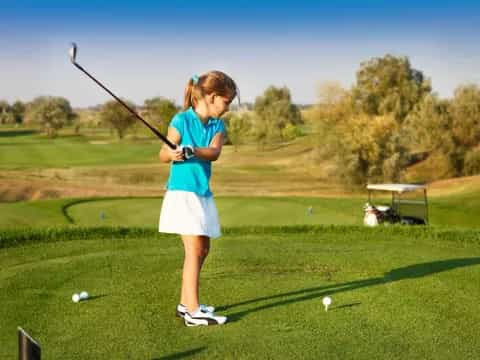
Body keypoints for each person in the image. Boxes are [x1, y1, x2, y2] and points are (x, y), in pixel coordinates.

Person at [159, 71, 238, 326]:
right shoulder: (181, 120)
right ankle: (193, 312)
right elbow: (162, 153)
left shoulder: (218, 126)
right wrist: (173, 154)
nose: (227, 108)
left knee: (203, 249)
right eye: (226, 102)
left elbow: (214, 152)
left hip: (202, 192)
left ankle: (185, 304)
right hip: (182, 193)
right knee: (193, 249)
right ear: (213, 97)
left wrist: (191, 150)